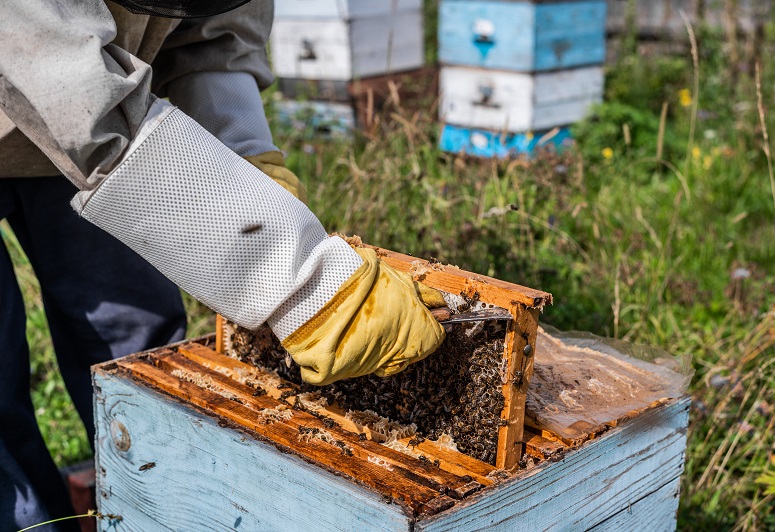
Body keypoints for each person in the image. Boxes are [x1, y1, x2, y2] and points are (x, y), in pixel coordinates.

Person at [0, 1, 446, 530]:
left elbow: (215, 35)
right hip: (63, 81)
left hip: (99, 113)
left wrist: (247, 158)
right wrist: (298, 280)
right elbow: (52, 63)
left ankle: (151, 503)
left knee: (139, 336)